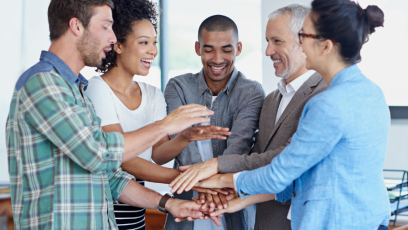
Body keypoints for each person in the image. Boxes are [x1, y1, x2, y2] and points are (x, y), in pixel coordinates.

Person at [171, 0, 391, 230]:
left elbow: (280, 173)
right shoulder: (370, 92)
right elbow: (302, 176)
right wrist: (238, 200)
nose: (302, 45)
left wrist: (220, 178)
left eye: (304, 36)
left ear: (326, 46)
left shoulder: (328, 103)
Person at [6, 0, 215, 229]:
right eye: (106, 26)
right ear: (77, 26)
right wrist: (165, 126)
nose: (113, 38)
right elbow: (99, 153)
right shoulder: (43, 83)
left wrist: (168, 203)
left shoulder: (77, 91)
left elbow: (109, 175)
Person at [169, 4, 327, 230]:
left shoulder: (324, 94)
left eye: (277, 41)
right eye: (267, 41)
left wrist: (218, 169)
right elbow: (258, 158)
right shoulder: (272, 99)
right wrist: (232, 195)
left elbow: (288, 163)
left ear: (304, 42)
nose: (268, 51)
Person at [84, 0, 231, 229]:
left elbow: (159, 155)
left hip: (137, 207)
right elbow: (121, 157)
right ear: (119, 45)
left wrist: (185, 137)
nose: (153, 50)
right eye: (144, 42)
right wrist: (186, 178)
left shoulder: (152, 94)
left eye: (154, 42)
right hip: (106, 207)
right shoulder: (97, 89)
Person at [164, 15, 265, 230]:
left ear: (238, 48)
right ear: (197, 48)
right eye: (208, 49)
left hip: (233, 209)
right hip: (188, 206)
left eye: (226, 50)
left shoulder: (251, 91)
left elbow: (239, 147)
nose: (217, 59)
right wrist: (207, 187)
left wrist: (214, 185)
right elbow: (182, 145)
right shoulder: (178, 87)